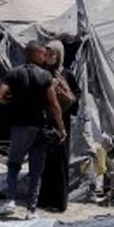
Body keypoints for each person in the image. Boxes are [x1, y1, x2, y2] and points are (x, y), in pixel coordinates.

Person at [0, 41, 65, 216]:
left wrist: (12, 102)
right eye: (42, 54)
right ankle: (31, 210)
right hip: (40, 127)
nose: (44, 57)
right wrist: (61, 127)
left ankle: (9, 201)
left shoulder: (14, 73)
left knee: (13, 164)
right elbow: (54, 105)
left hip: (20, 127)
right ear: (34, 54)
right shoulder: (44, 76)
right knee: (36, 170)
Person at [39, 40, 80, 213]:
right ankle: (44, 199)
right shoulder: (41, 73)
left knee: (60, 160)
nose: (49, 57)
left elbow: (77, 97)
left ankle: (58, 201)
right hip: (44, 121)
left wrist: (63, 94)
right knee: (44, 160)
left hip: (62, 122)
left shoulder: (67, 75)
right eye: (47, 54)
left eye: (52, 54)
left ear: (59, 55)